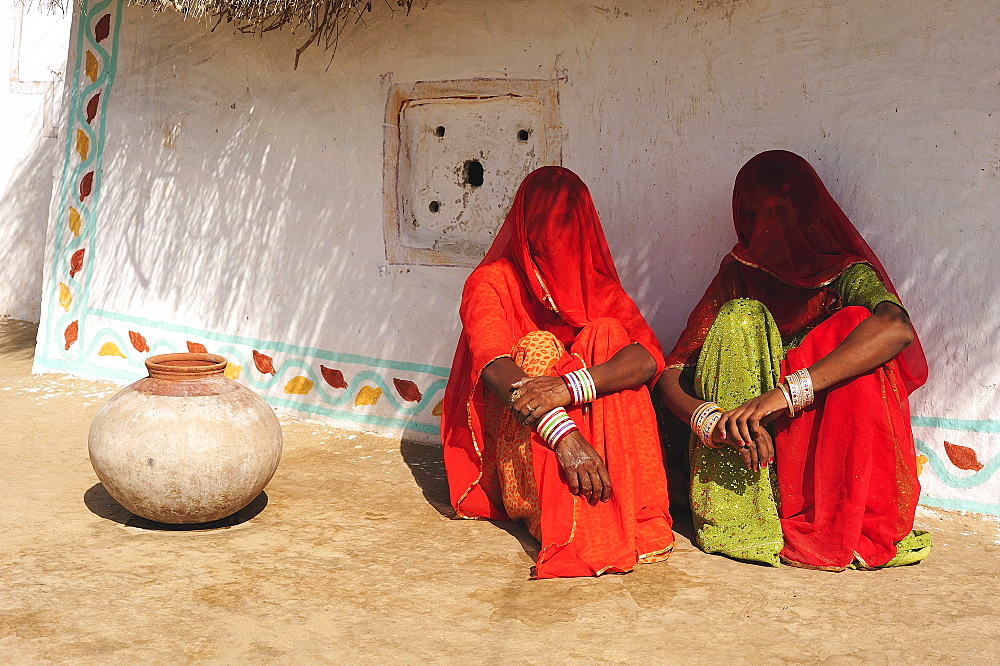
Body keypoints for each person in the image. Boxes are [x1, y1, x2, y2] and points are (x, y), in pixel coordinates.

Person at [656, 150, 931, 571]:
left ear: (806, 216)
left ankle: (838, 511)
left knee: (859, 325)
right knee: (739, 318)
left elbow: (896, 328)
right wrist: (709, 421)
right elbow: (672, 372)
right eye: (751, 214)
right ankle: (740, 514)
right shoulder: (738, 273)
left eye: (778, 213)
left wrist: (783, 394)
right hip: (748, 447)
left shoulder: (843, 274)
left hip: (814, 449)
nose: (764, 228)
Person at [441, 166, 675, 579]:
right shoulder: (490, 282)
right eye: (539, 224)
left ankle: (622, 509)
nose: (552, 236)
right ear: (521, 225)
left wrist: (569, 386)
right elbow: (494, 365)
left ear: (584, 226)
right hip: (528, 438)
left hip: (577, 421)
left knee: (610, 337)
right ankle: (568, 515)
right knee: (538, 347)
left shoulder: (597, 288)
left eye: (565, 223)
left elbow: (649, 357)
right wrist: (564, 434)